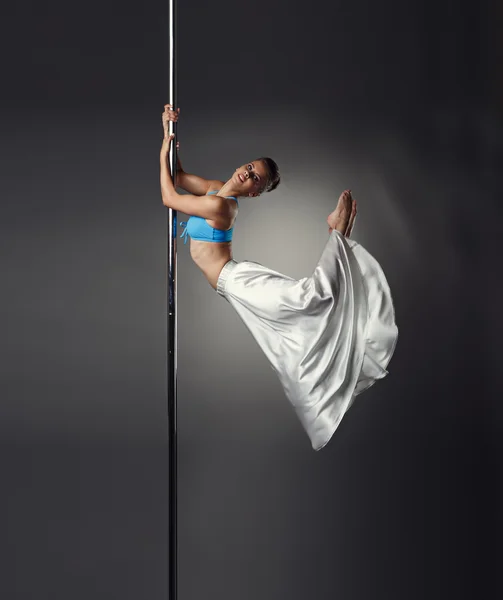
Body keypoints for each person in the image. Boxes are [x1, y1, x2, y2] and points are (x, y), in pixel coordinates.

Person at [160, 105, 398, 451]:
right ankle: (339, 237)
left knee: (306, 300)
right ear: (241, 165)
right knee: (292, 339)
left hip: (236, 280)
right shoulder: (214, 190)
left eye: (256, 179)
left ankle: (338, 235)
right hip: (236, 285)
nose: (248, 174)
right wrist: (168, 129)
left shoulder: (223, 207)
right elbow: (178, 176)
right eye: (251, 167)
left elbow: (169, 196)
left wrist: (163, 149)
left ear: (255, 193)